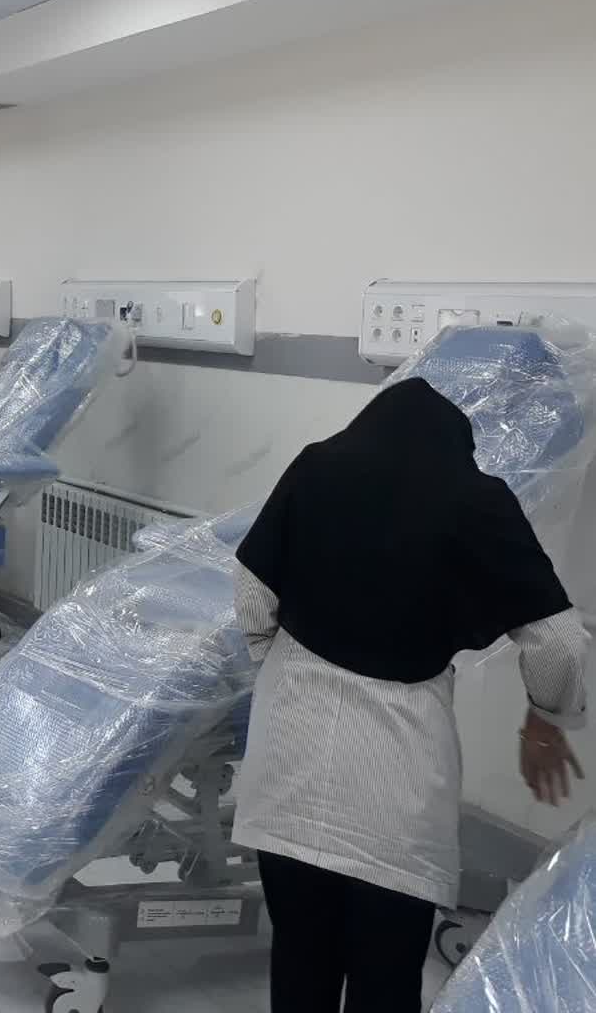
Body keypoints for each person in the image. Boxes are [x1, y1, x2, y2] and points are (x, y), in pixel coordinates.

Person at [231, 378, 589, 1013]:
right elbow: (559, 642)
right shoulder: (476, 500)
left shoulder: (316, 467)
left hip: (287, 760)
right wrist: (544, 722)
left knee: (301, 958)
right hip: (396, 788)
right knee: (386, 977)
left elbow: (253, 588)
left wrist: (278, 665)